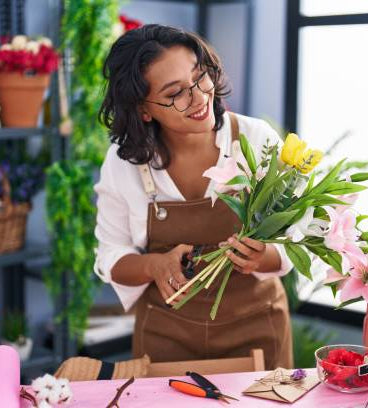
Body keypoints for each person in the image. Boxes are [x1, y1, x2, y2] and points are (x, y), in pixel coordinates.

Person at [94, 24, 293, 369]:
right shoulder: (124, 162)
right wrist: (154, 265)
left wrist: (265, 257)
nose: (200, 97)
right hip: (164, 335)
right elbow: (111, 256)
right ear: (143, 109)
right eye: (175, 93)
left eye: (200, 77)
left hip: (258, 329)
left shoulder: (252, 139)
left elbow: (300, 236)